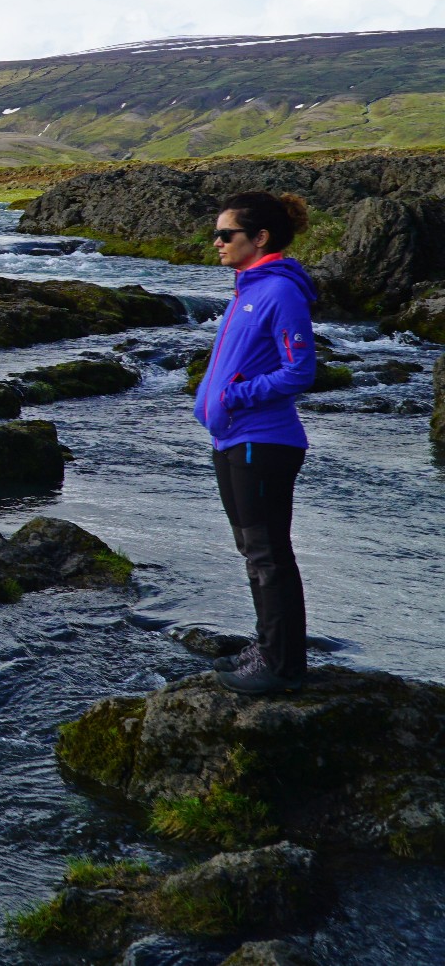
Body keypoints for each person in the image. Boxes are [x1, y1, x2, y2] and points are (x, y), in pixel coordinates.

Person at [192, 190, 317, 694]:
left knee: (268, 553)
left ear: (259, 238)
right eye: (217, 234)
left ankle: (283, 668)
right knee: (252, 549)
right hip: (233, 440)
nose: (217, 243)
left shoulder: (280, 292)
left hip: (262, 441)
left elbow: (299, 371)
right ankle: (269, 647)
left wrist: (238, 395)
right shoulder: (248, 289)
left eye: (227, 235)